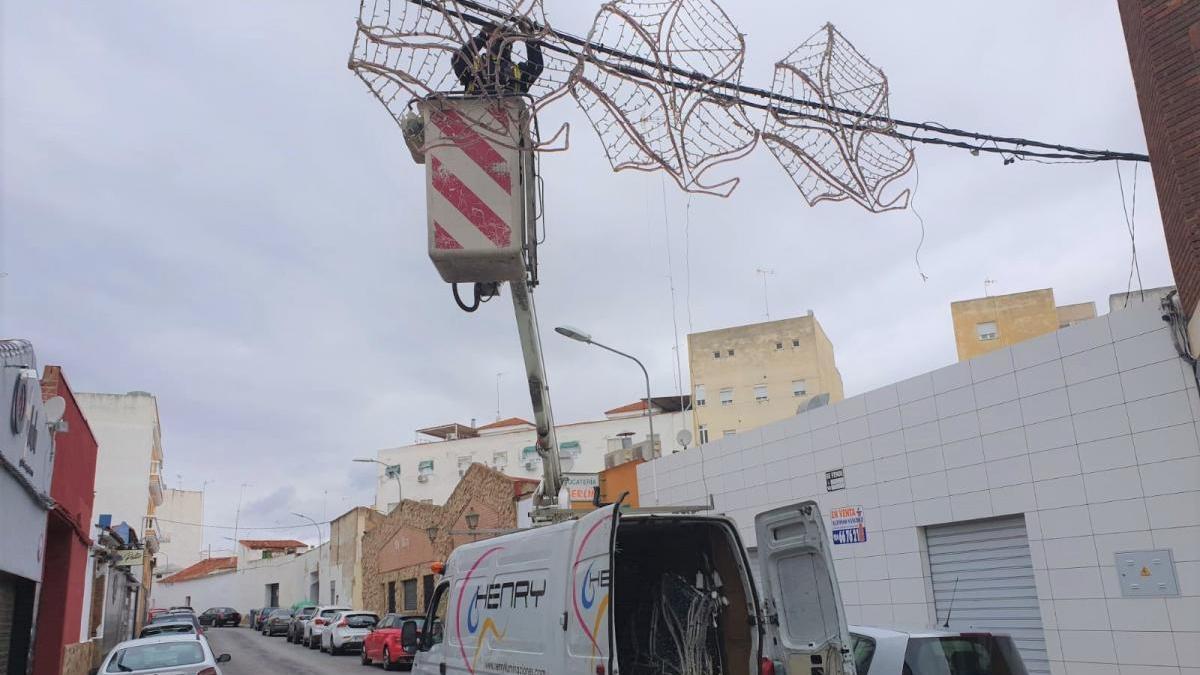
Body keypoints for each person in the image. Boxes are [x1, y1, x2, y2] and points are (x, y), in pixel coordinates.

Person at [452, 20, 544, 95]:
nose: (502, 39)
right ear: (487, 42)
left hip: (508, 113)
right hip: (475, 109)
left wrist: (530, 37)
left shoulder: (518, 72)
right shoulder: (475, 66)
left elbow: (536, 67)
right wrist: (482, 36)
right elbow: (458, 59)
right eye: (498, 36)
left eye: (506, 37)